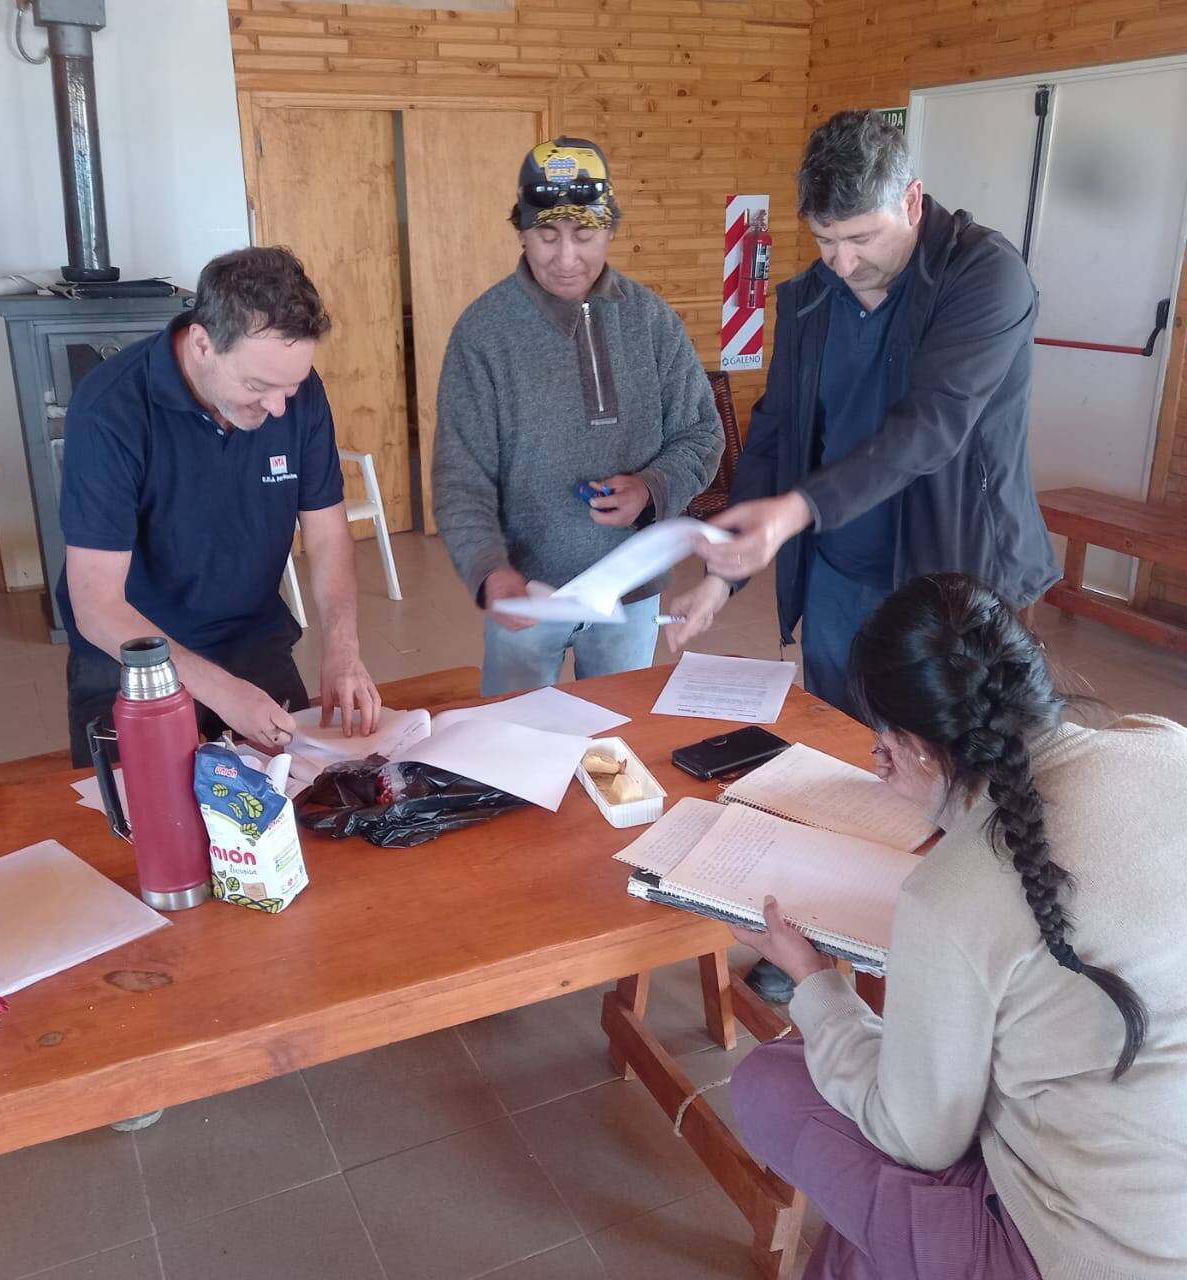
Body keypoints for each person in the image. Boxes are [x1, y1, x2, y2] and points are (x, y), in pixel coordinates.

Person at [728, 573, 1187, 1279]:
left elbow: (917, 1140)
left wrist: (814, 982)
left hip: (1087, 1254)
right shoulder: (1165, 744)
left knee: (770, 1084)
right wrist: (941, 794)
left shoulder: (953, 895)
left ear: (909, 745)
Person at [668, 111, 1059, 718]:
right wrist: (723, 573)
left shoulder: (986, 277)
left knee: (941, 762)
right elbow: (774, 434)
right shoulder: (811, 300)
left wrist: (796, 509)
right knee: (840, 745)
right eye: (825, 240)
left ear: (911, 200)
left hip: (950, 574)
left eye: (861, 239)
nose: (842, 264)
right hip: (835, 576)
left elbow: (930, 427)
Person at [58, 246, 380, 766]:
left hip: (252, 638)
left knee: (299, 808)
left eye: (291, 386)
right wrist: (220, 691)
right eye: (258, 386)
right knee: (134, 828)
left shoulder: (296, 394)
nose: (278, 407)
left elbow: (326, 534)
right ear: (203, 344)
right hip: (134, 658)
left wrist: (343, 649)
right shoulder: (109, 409)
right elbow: (96, 605)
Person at [433, 137, 724, 696]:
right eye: (546, 235)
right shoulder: (484, 332)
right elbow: (460, 477)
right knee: (515, 747)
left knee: (618, 746)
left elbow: (702, 434)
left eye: (585, 235)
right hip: (527, 595)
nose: (566, 258)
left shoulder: (651, 321)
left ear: (610, 231)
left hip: (630, 596)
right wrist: (490, 569)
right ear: (520, 230)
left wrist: (652, 487)